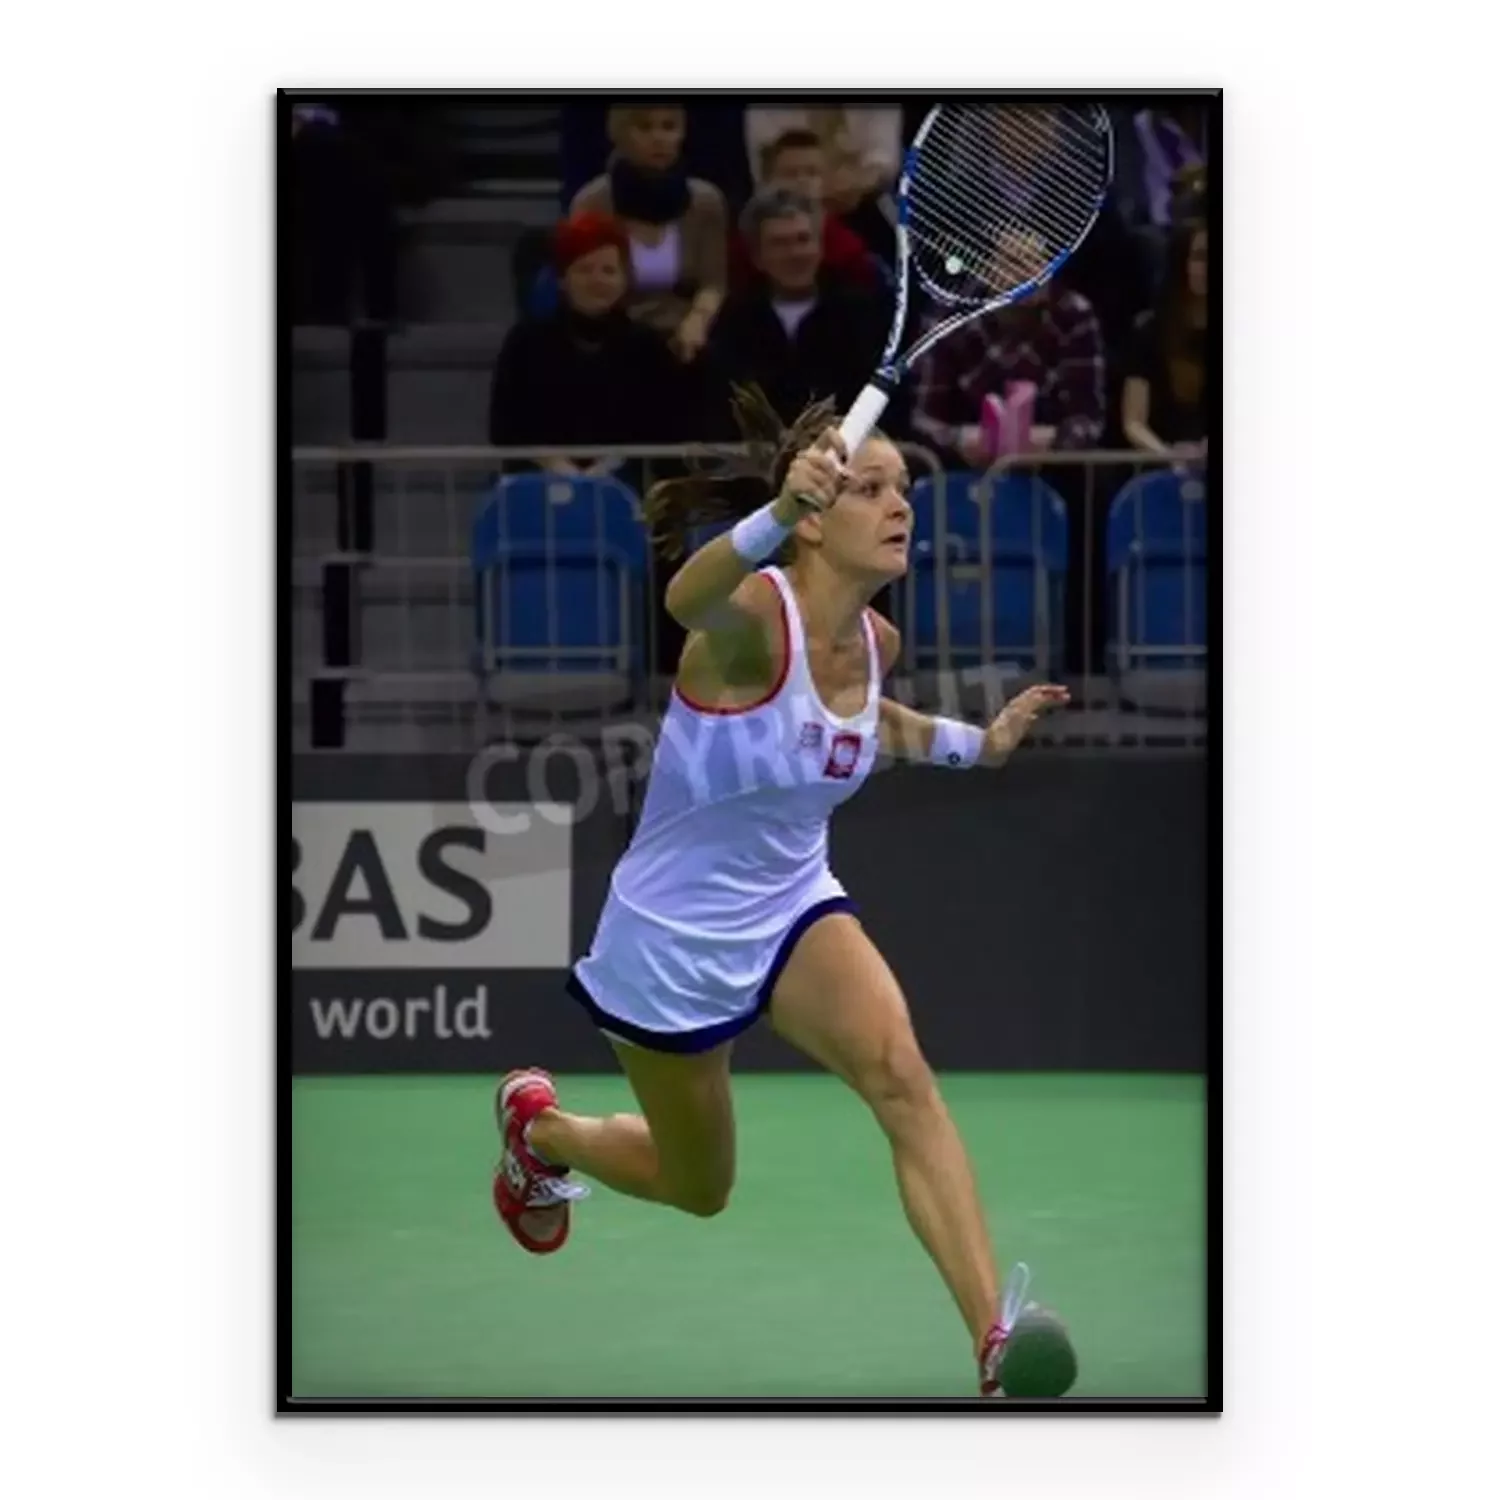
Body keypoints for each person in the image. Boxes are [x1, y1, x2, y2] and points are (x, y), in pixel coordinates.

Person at [490, 384, 1079, 1399]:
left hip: (795, 904)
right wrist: (772, 513)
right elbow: (685, 600)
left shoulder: (877, 643)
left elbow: (864, 722)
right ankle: (538, 1132)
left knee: (901, 1077)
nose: (901, 505)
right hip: (671, 940)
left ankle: (994, 1337)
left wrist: (975, 746)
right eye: (871, 488)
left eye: (904, 487)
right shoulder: (752, 617)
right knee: (697, 1186)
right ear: (812, 517)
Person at [487, 211, 704, 472]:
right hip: (540, 481)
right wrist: (556, 465)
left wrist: (610, 465)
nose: (597, 280)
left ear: (624, 280)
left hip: (627, 481)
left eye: (608, 271)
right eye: (585, 270)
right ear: (562, 279)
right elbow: (505, 426)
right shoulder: (525, 342)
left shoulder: (646, 346)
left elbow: (666, 426)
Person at [710, 188, 886, 431]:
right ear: (757, 257)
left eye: (803, 240)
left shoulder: (859, 312)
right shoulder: (733, 320)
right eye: (779, 243)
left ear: (820, 247)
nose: (794, 253)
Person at [570, 106, 729, 363]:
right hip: (614, 341)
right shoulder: (593, 203)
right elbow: (585, 287)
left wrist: (697, 322)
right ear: (620, 134)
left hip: (686, 338)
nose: (659, 138)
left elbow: (714, 284)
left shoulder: (706, 202)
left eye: (669, 127)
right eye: (644, 128)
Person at [728, 129, 881, 294]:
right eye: (790, 174)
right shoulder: (744, 246)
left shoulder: (849, 249)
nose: (802, 181)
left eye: (812, 173)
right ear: (767, 181)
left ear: (826, 180)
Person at [1121, 222, 1208, 461]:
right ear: (1182, 263)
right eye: (1200, 257)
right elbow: (1134, 423)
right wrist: (1170, 457)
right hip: (1163, 462)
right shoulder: (1149, 330)